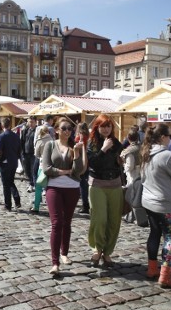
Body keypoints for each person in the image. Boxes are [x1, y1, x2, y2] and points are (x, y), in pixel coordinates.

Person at [140, 124, 171, 287]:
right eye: (169, 135)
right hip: (165, 203)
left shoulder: (146, 152)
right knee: (170, 237)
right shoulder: (167, 155)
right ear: (162, 137)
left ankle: (152, 269)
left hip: (148, 201)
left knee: (154, 233)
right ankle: (165, 275)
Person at [42, 117, 87, 274]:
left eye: (69, 128)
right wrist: (63, 172)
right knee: (57, 223)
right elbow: (46, 168)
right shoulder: (50, 145)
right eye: (64, 128)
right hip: (54, 187)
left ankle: (64, 254)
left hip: (72, 188)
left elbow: (79, 170)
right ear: (56, 130)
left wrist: (76, 153)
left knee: (67, 222)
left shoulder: (74, 146)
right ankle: (55, 263)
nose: (67, 131)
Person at [87, 114, 124, 268]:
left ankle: (108, 251)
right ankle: (97, 248)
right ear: (97, 127)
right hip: (97, 184)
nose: (106, 129)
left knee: (114, 221)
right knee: (99, 218)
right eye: (103, 126)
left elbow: (119, 162)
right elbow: (93, 163)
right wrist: (103, 149)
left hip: (115, 184)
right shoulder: (92, 143)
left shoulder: (116, 143)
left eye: (108, 126)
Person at [0, 118, 22, 211]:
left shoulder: (1, 136)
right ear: (10, 125)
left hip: (5, 162)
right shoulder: (16, 136)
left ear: (2, 126)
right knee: (11, 182)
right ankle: (17, 200)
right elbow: (19, 150)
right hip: (13, 162)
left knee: (6, 185)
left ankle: (8, 205)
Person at [32, 125, 53, 213]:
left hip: (42, 166)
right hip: (51, 166)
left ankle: (36, 207)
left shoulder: (39, 141)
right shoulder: (53, 141)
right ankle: (52, 207)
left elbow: (36, 154)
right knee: (50, 188)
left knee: (38, 187)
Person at [76, 122, 90, 215]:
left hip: (81, 161)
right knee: (85, 184)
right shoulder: (88, 136)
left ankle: (85, 205)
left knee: (82, 185)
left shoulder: (80, 137)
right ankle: (86, 204)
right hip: (88, 162)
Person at [21, 117, 37, 192]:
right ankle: (31, 182)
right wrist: (21, 152)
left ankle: (32, 184)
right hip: (26, 153)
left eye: (32, 122)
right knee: (26, 169)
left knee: (33, 169)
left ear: (35, 122)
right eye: (29, 122)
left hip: (34, 154)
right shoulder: (25, 130)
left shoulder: (38, 130)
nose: (30, 123)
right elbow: (22, 141)